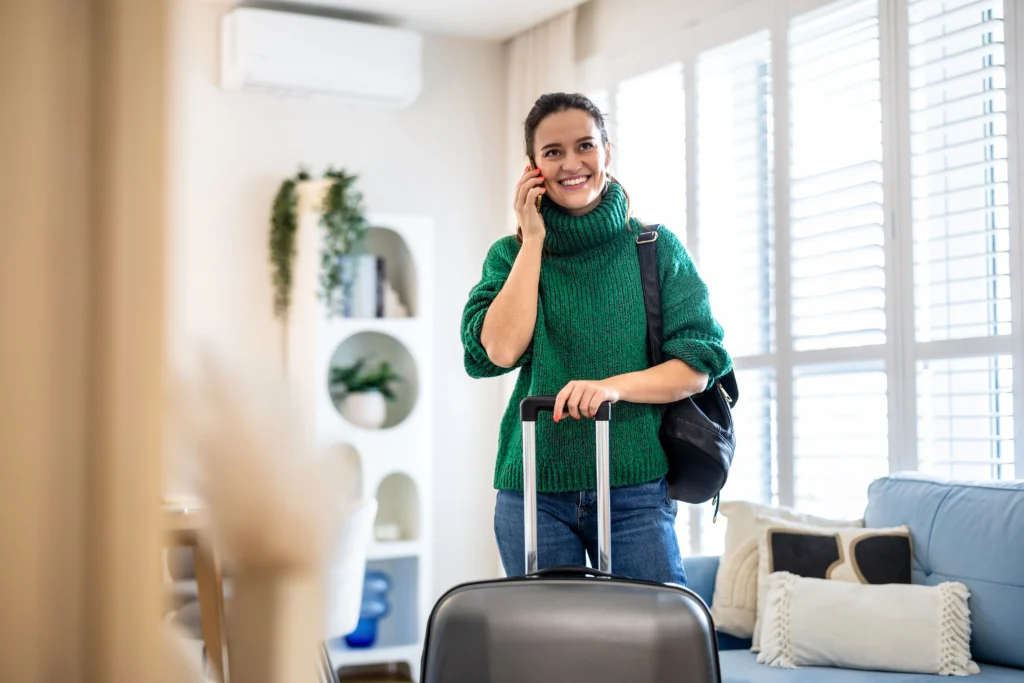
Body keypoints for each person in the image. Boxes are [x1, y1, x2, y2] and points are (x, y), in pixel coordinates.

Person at [460, 92, 732, 585]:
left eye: (585, 145)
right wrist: (534, 239)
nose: (571, 164)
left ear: (608, 151)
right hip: (532, 492)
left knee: (658, 647)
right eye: (552, 152)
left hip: (634, 490)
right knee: (552, 654)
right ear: (533, 168)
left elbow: (698, 364)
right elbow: (497, 351)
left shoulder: (654, 247)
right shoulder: (510, 255)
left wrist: (612, 387)